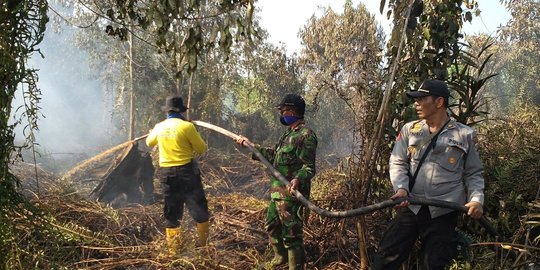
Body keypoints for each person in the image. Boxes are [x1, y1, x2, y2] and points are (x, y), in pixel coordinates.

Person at [373, 79, 485, 270]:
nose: (416, 103)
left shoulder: (465, 135)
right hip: (412, 205)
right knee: (385, 259)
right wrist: (401, 188)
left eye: (422, 98)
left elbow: (473, 172)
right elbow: (397, 161)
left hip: (444, 212)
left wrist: (476, 200)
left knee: (433, 263)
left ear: (439, 102)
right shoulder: (410, 130)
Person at [235, 93, 318, 270]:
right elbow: (273, 156)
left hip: (291, 194)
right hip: (276, 191)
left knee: (292, 233)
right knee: (271, 224)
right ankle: (280, 257)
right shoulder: (287, 134)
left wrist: (297, 179)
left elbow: (309, 167)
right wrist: (249, 145)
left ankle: (295, 266)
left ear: (294, 111)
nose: (282, 114)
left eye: (284, 111)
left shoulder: (306, 135)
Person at [146, 96, 210, 250]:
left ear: (167, 111)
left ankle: (173, 253)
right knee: (199, 208)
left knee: (172, 211)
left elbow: (149, 142)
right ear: (181, 110)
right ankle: (203, 247)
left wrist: (154, 132)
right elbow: (202, 149)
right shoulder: (187, 127)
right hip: (187, 172)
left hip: (167, 174)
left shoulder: (159, 127)